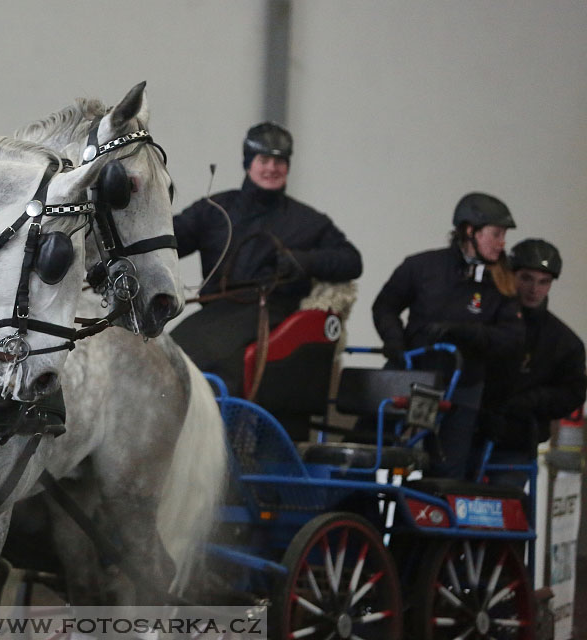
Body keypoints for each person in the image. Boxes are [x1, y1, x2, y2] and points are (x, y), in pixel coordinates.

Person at [170, 122, 362, 400]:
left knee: (212, 354)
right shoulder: (215, 210)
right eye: (264, 160)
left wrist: (303, 261)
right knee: (172, 349)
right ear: (249, 163)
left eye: (280, 161)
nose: (272, 168)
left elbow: (352, 260)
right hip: (216, 312)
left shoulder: (308, 221)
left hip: (271, 313)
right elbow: (172, 240)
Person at [371, 192, 525, 479]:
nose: (502, 243)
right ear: (470, 231)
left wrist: (468, 333)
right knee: (375, 449)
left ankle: (428, 521)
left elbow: (512, 338)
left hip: (463, 388)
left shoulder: (501, 283)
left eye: (504, 235)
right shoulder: (422, 267)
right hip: (413, 377)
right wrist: (393, 341)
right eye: (496, 234)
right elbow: (385, 306)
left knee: (446, 469)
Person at [474, 239, 586, 486]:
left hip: (516, 441)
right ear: (511, 276)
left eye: (543, 281)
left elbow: (573, 392)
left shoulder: (564, 342)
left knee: (504, 507)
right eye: (526, 278)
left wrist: (531, 401)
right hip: (467, 435)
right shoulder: (482, 322)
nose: (534, 289)